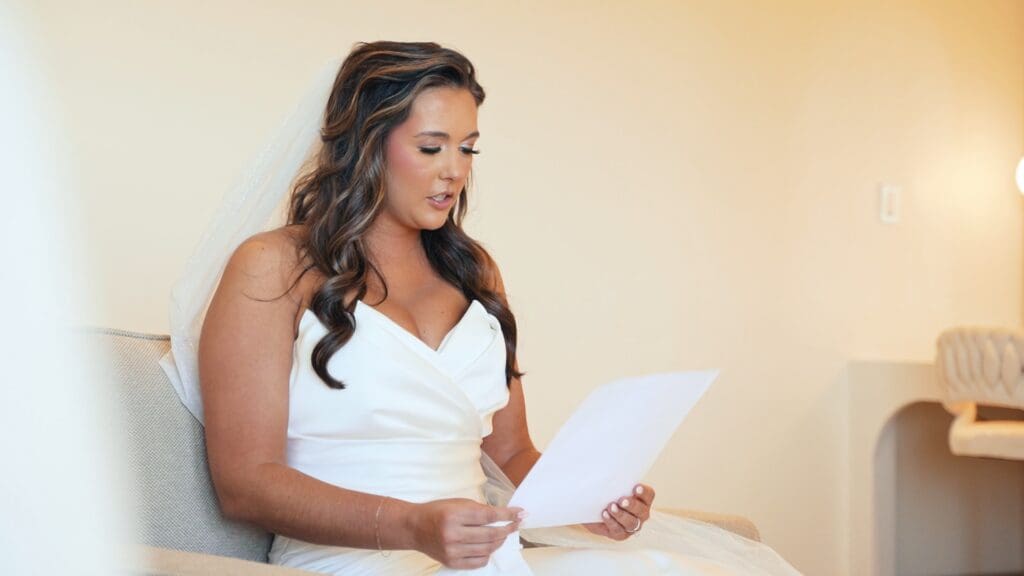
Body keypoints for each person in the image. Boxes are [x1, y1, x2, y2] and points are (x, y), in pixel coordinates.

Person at [162, 40, 802, 575]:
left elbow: (514, 454)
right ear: (366, 143)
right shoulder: (274, 265)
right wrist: (411, 525)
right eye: (432, 146)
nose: (454, 172)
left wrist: (593, 504)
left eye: (467, 148)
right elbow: (245, 481)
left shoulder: (470, 271)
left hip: (482, 562)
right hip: (350, 562)